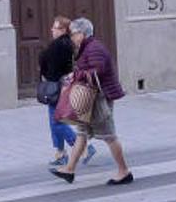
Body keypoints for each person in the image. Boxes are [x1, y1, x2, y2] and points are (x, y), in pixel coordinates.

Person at [49, 17, 133, 185]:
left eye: (73, 33)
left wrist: (76, 75)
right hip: (89, 98)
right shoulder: (86, 47)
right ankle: (69, 169)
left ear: (82, 33)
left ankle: (124, 171)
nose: (71, 37)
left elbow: (97, 72)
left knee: (109, 135)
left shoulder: (94, 48)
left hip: (99, 98)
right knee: (81, 133)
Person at [38, 16, 95, 166]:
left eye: (55, 27)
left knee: (56, 122)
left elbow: (44, 61)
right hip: (63, 85)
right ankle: (60, 153)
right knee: (54, 122)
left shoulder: (58, 45)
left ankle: (83, 147)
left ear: (63, 30)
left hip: (57, 87)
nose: (52, 29)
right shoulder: (68, 44)